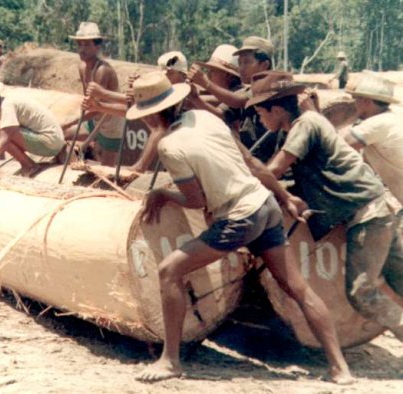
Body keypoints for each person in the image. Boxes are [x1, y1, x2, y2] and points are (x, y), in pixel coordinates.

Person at [131, 72, 352, 384]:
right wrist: (284, 195)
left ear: (151, 115)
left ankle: (170, 360)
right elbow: (250, 161)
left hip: (239, 217)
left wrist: (163, 193)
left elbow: (194, 200)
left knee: (169, 271)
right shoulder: (204, 118)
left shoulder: (169, 145)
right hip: (265, 205)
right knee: (298, 288)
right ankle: (340, 368)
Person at [246, 71, 403, 342]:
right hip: (377, 208)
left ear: (277, 109)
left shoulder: (306, 125)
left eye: (261, 113)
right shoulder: (306, 124)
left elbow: (275, 169)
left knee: (361, 292)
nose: (260, 120)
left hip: (368, 213)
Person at [189, 36, 278, 162]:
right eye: (240, 63)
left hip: (277, 166)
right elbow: (221, 114)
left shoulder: (270, 85)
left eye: (247, 62)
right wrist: (195, 99)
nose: (241, 68)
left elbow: (238, 101)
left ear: (264, 65)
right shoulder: (247, 91)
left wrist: (205, 83)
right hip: (258, 161)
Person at [0, 73, 65, 177]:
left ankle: (29, 165)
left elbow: (4, 140)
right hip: (52, 142)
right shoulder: (3, 108)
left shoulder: (8, 105)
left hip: (50, 143)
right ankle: (27, 164)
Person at [340, 72, 403, 205]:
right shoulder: (393, 115)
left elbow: (339, 147)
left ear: (367, 101)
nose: (353, 104)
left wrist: (316, 115)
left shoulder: (376, 124)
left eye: (356, 99)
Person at [69, 21, 124, 166]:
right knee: (66, 134)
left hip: (111, 120)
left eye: (87, 45)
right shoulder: (82, 68)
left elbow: (96, 107)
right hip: (95, 117)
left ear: (97, 46)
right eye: (80, 44)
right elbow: (89, 103)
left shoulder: (103, 71)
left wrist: (69, 121)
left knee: (107, 169)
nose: (82, 49)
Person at [187, 44, 243, 121]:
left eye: (213, 71)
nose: (209, 74)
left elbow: (220, 114)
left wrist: (204, 83)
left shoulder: (239, 93)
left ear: (227, 75)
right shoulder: (222, 94)